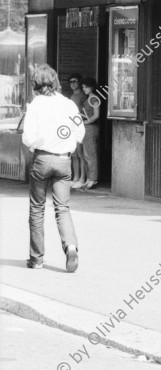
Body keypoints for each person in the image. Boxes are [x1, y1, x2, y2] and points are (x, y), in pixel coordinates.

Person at [22, 64, 84, 272]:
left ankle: (36, 259)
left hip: (42, 159)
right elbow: (80, 133)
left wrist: (35, 147)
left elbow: (28, 137)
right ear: (55, 82)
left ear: (36, 84)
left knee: (37, 209)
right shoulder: (68, 104)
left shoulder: (35, 105)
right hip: (63, 160)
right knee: (62, 208)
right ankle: (71, 246)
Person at [80, 77, 101, 189]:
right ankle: (90, 178)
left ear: (92, 87)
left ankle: (93, 178)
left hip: (91, 128)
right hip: (86, 128)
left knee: (91, 154)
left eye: (86, 87)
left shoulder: (94, 98)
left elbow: (96, 115)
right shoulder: (89, 98)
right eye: (83, 87)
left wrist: (86, 122)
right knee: (87, 154)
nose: (84, 89)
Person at [68, 74, 87, 189]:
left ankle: (82, 178)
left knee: (80, 154)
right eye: (70, 82)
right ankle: (75, 177)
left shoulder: (82, 96)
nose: (73, 84)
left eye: (75, 81)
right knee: (74, 154)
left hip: (78, 125)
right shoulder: (73, 95)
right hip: (72, 125)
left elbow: (86, 111)